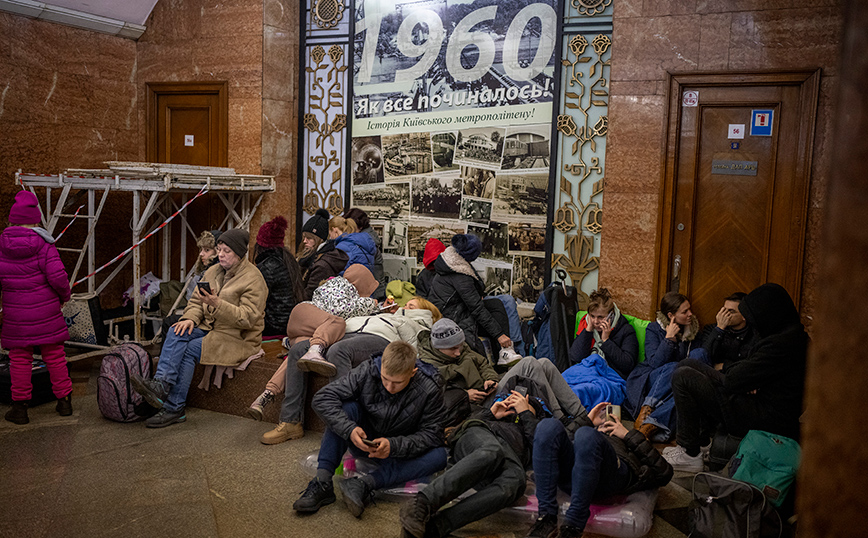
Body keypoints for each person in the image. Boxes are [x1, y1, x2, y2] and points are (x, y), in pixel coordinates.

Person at [292, 341, 448, 518]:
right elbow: (322, 398)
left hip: (401, 451)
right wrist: (350, 429)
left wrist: (394, 445)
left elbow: (432, 434)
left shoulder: (430, 388)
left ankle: (364, 484)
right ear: (381, 366)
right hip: (364, 441)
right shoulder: (368, 369)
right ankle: (322, 483)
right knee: (347, 408)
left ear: (413, 373)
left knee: (439, 456)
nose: (389, 387)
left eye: (397, 382)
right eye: (385, 379)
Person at [663, 283, 808, 472]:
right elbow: (746, 371)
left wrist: (736, 374)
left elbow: (735, 379)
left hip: (766, 417)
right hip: (760, 403)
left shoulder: (781, 344)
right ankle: (701, 442)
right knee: (687, 365)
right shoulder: (791, 335)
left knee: (684, 376)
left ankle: (689, 453)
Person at [131, 228, 267, 428]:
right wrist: (190, 319)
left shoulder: (254, 279)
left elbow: (247, 318)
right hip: (209, 328)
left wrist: (217, 303)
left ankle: (173, 407)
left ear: (239, 253)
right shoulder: (213, 271)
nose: (220, 254)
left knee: (189, 349)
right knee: (178, 330)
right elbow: (195, 302)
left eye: (226, 251)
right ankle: (161, 385)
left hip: (237, 337)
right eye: (219, 249)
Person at [257, 295, 440, 442]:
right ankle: (291, 422)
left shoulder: (418, 323)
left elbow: (412, 347)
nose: (405, 307)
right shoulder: (384, 313)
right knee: (298, 349)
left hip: (381, 339)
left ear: (425, 312)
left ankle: (343, 425)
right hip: (351, 333)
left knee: (338, 351)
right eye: (406, 304)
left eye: (412, 306)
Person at [399, 390, 547, 538]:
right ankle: (421, 502)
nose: (516, 405)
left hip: (509, 456)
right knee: (491, 451)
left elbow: (541, 450)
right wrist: (490, 414)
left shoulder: (538, 426)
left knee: (515, 483)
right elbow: (467, 423)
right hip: (479, 435)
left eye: (524, 403)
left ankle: (434, 528)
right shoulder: (494, 418)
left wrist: (527, 414)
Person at [526, 402, 674, 538]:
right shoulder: (584, 431)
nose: (605, 421)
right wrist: (587, 421)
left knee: (587, 436)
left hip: (611, 475)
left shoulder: (625, 440)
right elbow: (554, 440)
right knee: (548, 425)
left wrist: (627, 435)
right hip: (574, 472)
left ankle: (573, 525)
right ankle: (546, 517)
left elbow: (665, 472)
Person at [0, 191, 74, 424]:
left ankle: (20, 408)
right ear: (35, 220)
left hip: (15, 314)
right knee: (54, 355)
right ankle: (64, 403)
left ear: (12, 220)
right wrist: (65, 296)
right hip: (46, 311)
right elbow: (58, 278)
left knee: (20, 359)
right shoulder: (44, 244)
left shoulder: (1, 245)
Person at [428, 233, 521, 365]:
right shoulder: (460, 275)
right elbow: (476, 308)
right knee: (497, 307)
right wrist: (500, 335)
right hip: (453, 316)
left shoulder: (451, 262)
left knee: (497, 303)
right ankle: (505, 350)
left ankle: (504, 352)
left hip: (450, 309)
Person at [625, 292, 705, 440]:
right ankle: (647, 408)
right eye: (685, 311)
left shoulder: (693, 332)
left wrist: (686, 338)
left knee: (683, 395)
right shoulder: (654, 329)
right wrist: (669, 339)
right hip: (654, 380)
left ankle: (650, 427)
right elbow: (655, 363)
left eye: (689, 309)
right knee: (673, 367)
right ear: (670, 315)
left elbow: (691, 365)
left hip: (675, 383)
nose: (690, 314)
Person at [569, 288, 639, 379]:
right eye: (592, 316)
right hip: (585, 373)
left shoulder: (626, 330)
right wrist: (588, 331)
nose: (595, 321)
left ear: (611, 316)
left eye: (600, 317)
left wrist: (606, 341)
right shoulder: (587, 326)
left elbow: (628, 365)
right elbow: (575, 357)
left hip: (609, 378)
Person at [254, 216, 304, 338]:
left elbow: (257, 300)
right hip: (290, 322)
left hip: (273, 326)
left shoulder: (268, 267)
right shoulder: (287, 259)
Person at [697, 292, 758, 371]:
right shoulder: (712, 329)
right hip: (712, 376)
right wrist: (719, 329)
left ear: (744, 315)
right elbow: (704, 356)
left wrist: (725, 366)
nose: (725, 315)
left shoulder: (755, 334)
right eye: (724, 310)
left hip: (740, 378)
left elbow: (751, 364)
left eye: (731, 311)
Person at [298, 209, 349, 301]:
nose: (305, 241)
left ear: (319, 239)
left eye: (309, 238)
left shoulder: (322, 264)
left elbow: (309, 295)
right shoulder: (311, 257)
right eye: (304, 237)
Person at [344, 207, 386, 299]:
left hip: (370, 293)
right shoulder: (368, 239)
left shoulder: (363, 242)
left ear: (359, 226)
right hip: (376, 290)